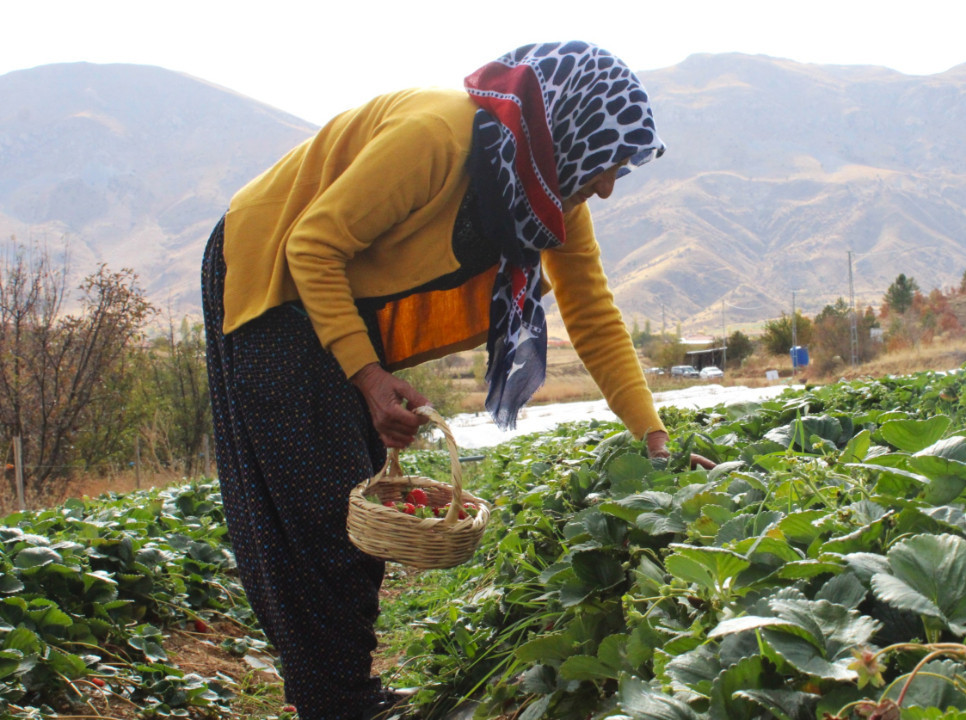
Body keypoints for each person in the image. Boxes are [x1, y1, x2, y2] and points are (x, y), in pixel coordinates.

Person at [201, 41, 694, 720]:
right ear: (566, 127)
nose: (607, 184)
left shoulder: (553, 200)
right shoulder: (436, 136)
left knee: (358, 492)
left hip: (336, 291)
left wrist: (655, 440)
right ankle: (337, 702)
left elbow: (595, 319)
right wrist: (369, 377)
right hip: (269, 270)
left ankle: (346, 691)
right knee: (320, 502)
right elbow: (311, 244)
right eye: (608, 162)